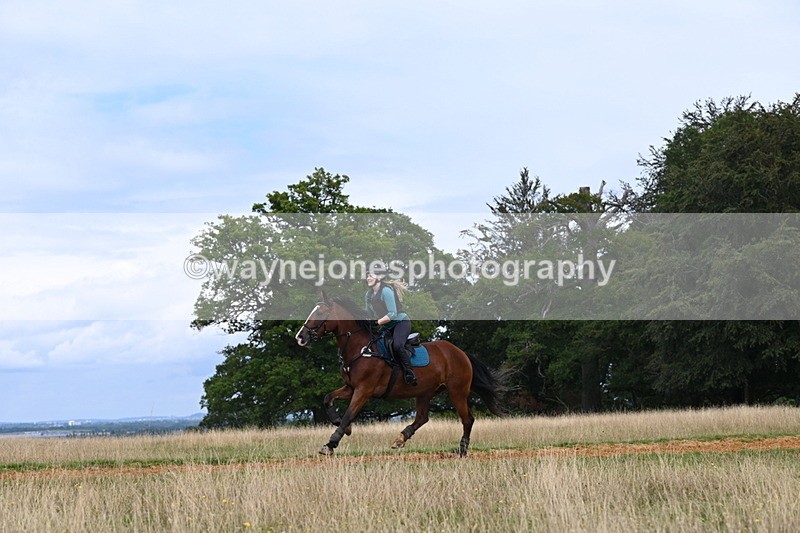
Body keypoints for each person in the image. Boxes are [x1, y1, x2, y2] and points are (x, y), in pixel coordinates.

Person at [365, 262, 417, 386]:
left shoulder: (386, 291)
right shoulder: (368, 295)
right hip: (387, 326)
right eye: (367, 275)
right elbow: (368, 314)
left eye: (370, 275)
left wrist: (377, 322)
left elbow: (392, 314)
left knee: (398, 345)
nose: (368, 278)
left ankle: (409, 372)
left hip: (400, 323)